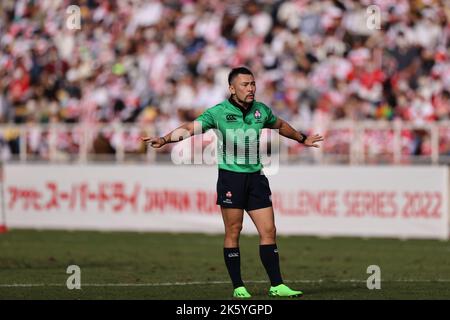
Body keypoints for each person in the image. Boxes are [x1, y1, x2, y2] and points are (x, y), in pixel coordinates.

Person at [142, 67, 324, 298]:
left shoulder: (260, 110)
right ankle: (239, 287)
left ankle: (277, 285)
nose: (251, 89)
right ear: (232, 88)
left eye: (253, 84)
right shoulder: (218, 113)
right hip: (231, 178)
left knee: (269, 230)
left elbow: (279, 125)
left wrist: (303, 139)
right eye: (245, 85)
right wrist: (165, 139)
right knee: (234, 231)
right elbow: (191, 128)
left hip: (256, 178)